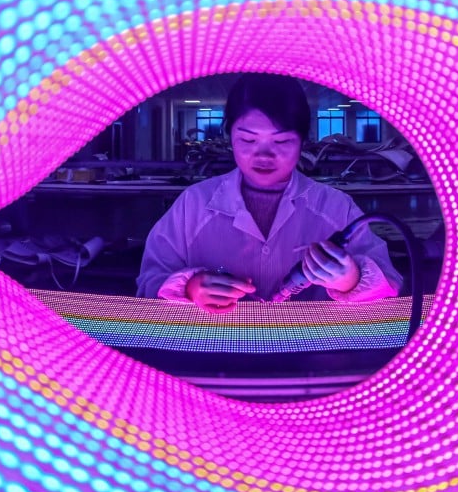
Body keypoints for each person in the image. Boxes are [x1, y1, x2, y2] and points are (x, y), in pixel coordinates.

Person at [136, 73, 403, 313]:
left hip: (312, 355)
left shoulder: (336, 208)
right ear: (230, 136)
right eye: (248, 140)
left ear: (302, 141)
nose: (263, 155)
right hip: (215, 351)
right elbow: (147, 283)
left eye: (282, 141)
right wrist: (188, 288)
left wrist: (352, 279)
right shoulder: (193, 205)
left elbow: (392, 287)